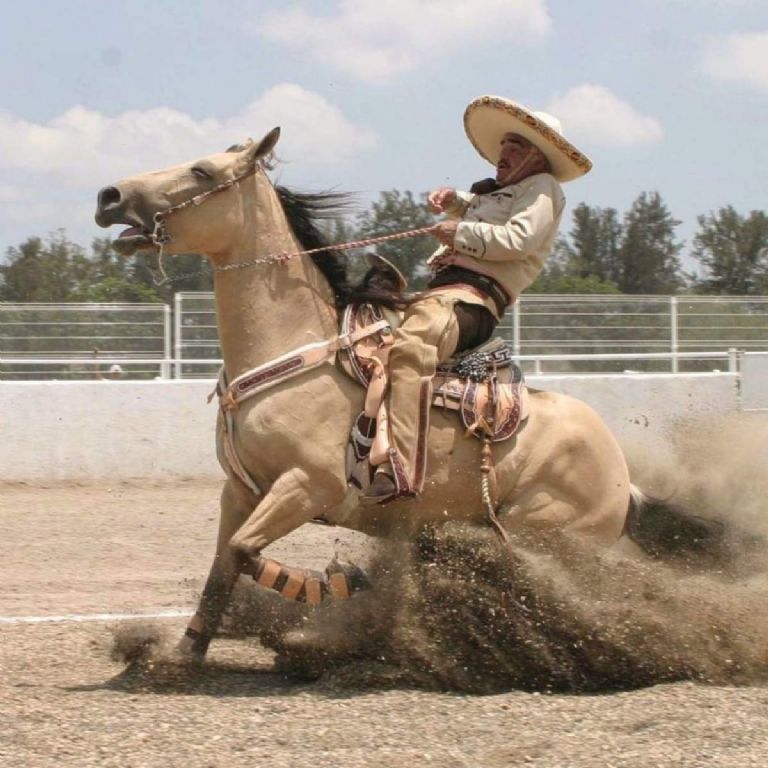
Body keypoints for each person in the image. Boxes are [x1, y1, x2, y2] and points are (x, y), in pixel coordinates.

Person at [364, 95, 592, 503]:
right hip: (443, 296)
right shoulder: (506, 192)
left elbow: (518, 239)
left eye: (515, 146)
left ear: (537, 158)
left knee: (412, 346)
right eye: (503, 145)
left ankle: (400, 467)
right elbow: (481, 206)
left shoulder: (542, 189)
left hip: (471, 304)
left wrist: (459, 232)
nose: (503, 153)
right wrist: (454, 202)